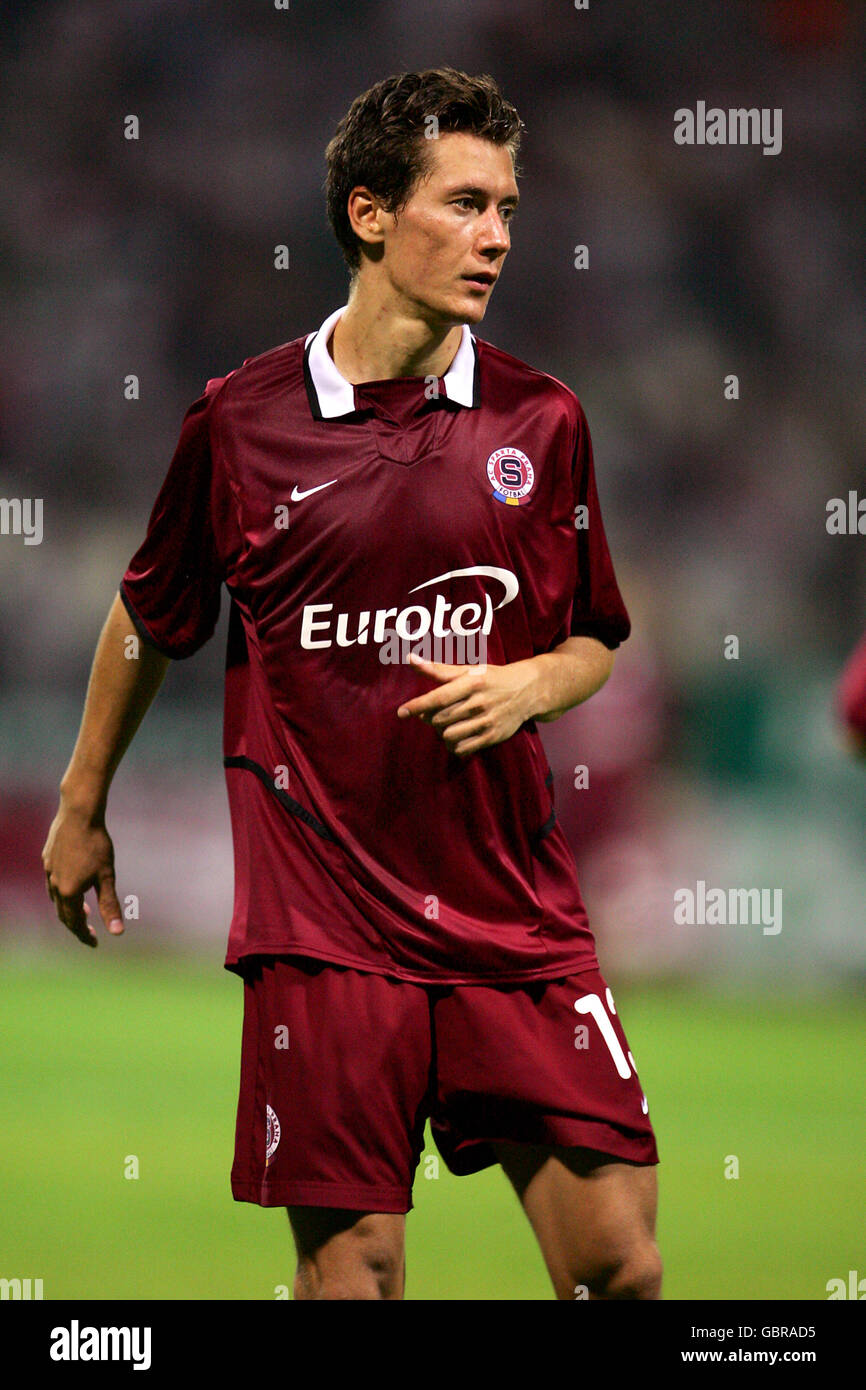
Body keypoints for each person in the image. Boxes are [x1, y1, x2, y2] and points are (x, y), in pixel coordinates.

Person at [42, 66, 661, 1301]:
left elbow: (593, 636)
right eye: (465, 203)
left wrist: (532, 683)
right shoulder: (241, 420)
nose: (496, 237)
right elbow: (150, 609)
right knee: (355, 1278)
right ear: (370, 215)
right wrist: (81, 799)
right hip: (323, 934)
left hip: (512, 916)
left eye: (507, 209)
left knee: (618, 1267)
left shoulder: (543, 422)